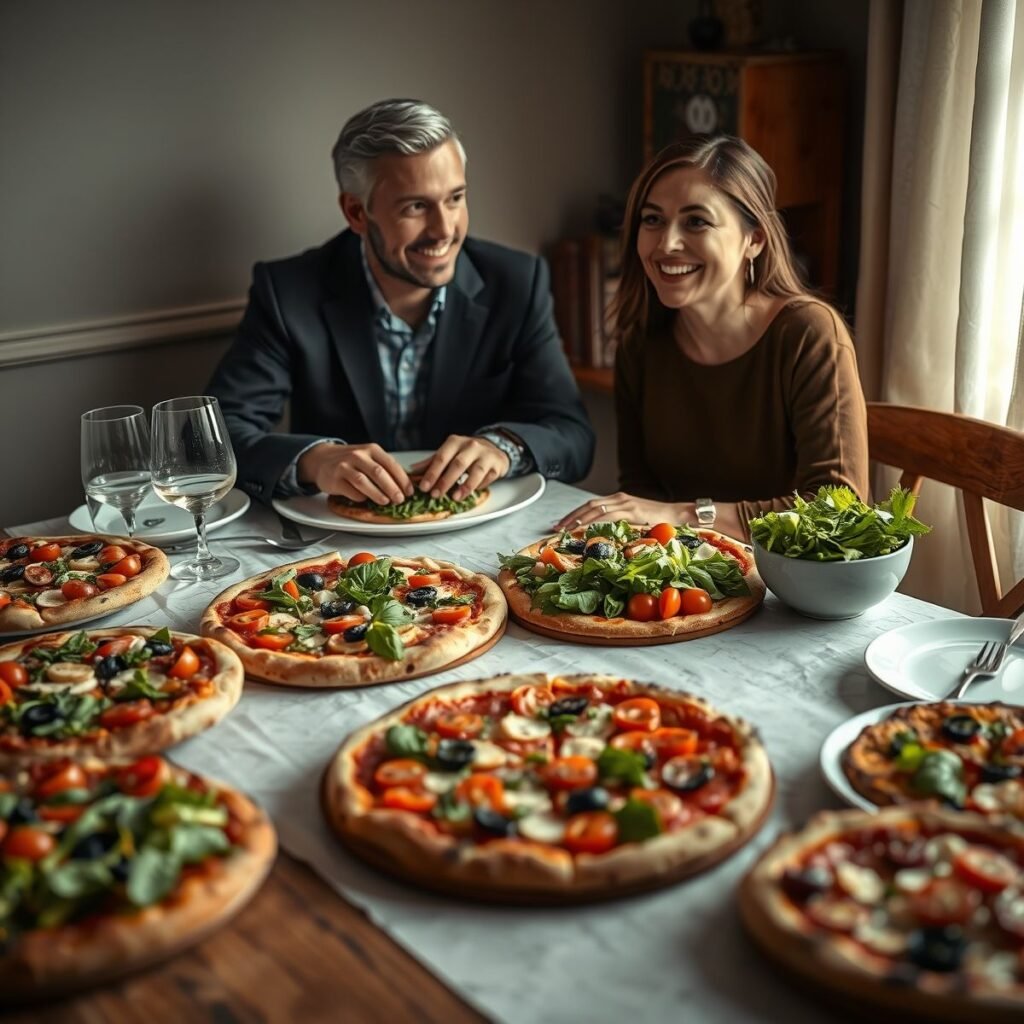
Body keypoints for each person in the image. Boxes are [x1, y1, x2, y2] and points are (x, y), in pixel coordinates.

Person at [208, 99, 594, 507]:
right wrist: (314, 461)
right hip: (340, 548)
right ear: (357, 212)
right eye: (416, 206)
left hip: (488, 535)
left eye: (455, 198)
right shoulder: (288, 292)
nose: (444, 230)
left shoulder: (517, 282)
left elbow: (572, 434)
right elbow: (214, 438)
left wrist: (505, 448)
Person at [557, 135, 868, 540]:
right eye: (652, 219)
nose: (666, 243)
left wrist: (686, 515)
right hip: (685, 577)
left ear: (753, 240)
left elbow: (838, 509)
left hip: (791, 584)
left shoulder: (809, 334)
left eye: (696, 221)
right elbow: (640, 491)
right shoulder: (640, 342)